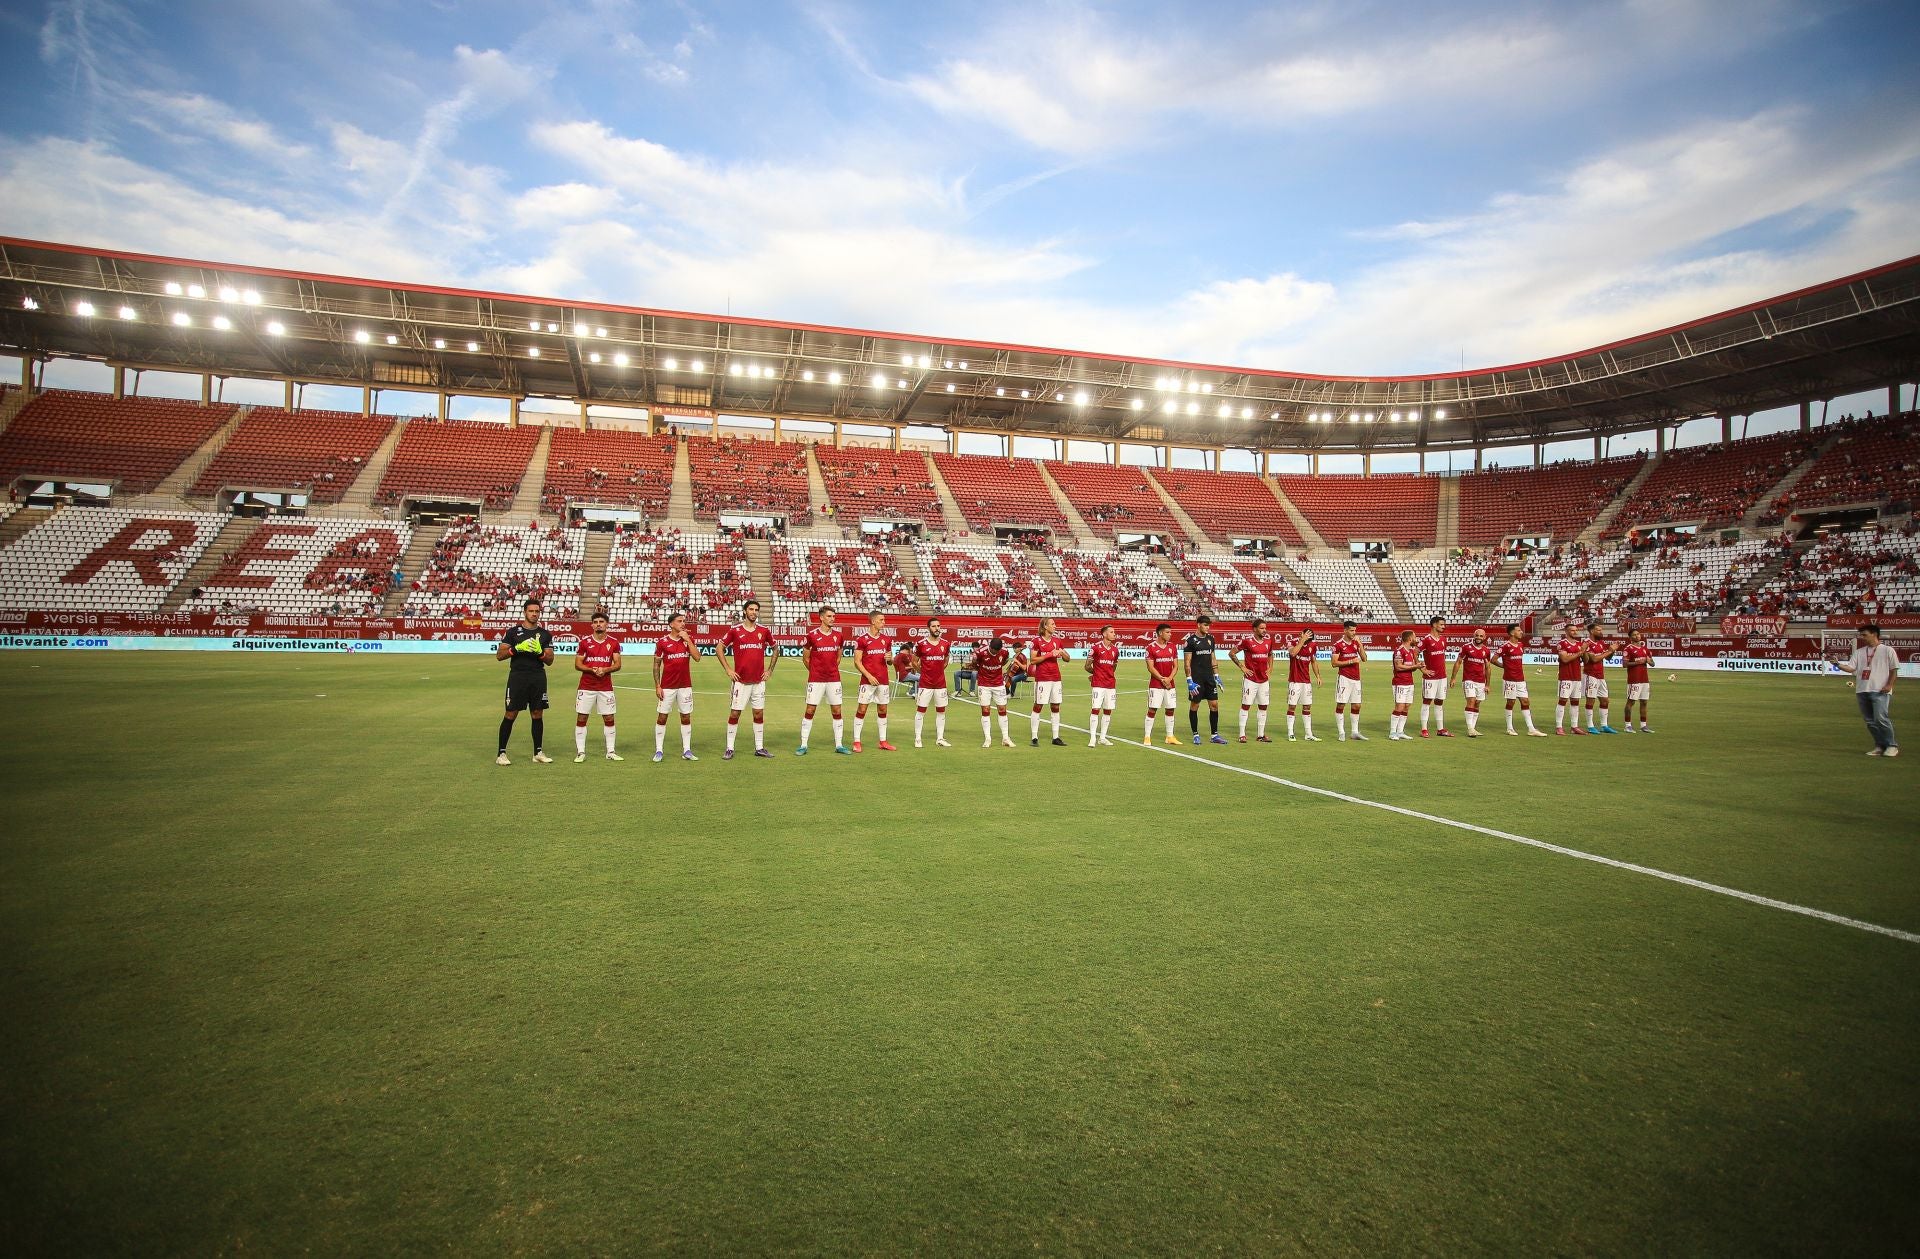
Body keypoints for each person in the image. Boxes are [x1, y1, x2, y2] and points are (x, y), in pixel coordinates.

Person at [495, 597, 555, 764]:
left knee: (537, 713)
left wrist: (540, 653)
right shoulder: (513, 632)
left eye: (537, 611)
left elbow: (550, 660)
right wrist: (516, 649)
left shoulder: (544, 634)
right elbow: (500, 655)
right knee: (511, 713)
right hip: (518, 676)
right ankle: (501, 754)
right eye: (531, 611)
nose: (534, 614)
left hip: (537, 677)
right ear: (525, 612)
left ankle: (538, 752)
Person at [720, 598, 778, 759]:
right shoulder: (735, 630)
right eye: (751, 609)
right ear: (745, 611)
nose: (754, 612)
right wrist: (728, 669)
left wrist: (769, 670)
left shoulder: (764, 631)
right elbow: (720, 648)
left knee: (758, 714)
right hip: (741, 682)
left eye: (756, 610)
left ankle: (759, 747)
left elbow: (775, 649)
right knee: (734, 714)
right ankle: (730, 748)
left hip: (758, 682)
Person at [1836, 623, 1900, 757]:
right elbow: (1851, 668)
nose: (1862, 637)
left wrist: (1889, 685)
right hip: (1862, 690)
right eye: (1862, 635)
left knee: (1881, 718)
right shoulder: (1859, 652)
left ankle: (1892, 745)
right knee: (1870, 721)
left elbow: (1894, 669)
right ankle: (1879, 746)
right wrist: (1837, 664)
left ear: (1874, 634)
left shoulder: (1888, 650)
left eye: (1865, 635)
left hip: (1880, 689)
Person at [797, 606, 852, 756]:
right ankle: (803, 744)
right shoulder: (812, 636)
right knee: (810, 710)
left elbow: (838, 657)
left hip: (834, 679)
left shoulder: (838, 636)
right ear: (821, 617)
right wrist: (816, 671)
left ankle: (839, 745)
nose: (832, 619)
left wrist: (831, 669)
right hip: (816, 679)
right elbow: (806, 658)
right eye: (829, 616)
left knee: (837, 710)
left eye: (833, 616)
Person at [573, 610, 623, 762]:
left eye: (601, 622)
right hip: (586, 686)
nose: (598, 624)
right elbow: (577, 664)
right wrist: (591, 669)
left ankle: (610, 751)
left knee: (609, 718)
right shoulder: (584, 642)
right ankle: (581, 752)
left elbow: (618, 664)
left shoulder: (613, 643)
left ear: (607, 624)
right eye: (595, 622)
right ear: (592, 625)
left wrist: (605, 669)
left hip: (605, 687)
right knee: (582, 717)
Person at [652, 611, 699, 762]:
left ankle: (687, 750)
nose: (683, 623)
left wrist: (688, 640)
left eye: (683, 621)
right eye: (679, 621)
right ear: (671, 624)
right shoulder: (662, 642)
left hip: (685, 686)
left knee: (685, 716)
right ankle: (659, 750)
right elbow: (656, 665)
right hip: (667, 686)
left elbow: (697, 657)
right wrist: (658, 686)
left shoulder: (688, 639)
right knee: (662, 717)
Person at [852, 611, 897, 753]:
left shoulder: (886, 640)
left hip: (883, 680)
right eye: (881, 620)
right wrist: (868, 676)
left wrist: (890, 659)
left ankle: (883, 741)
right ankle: (857, 741)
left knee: (883, 709)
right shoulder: (862, 640)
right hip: (867, 681)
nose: (884, 622)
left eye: (884, 619)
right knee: (862, 709)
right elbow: (857, 662)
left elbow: (890, 662)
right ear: (873, 621)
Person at [1024, 616, 1070, 746]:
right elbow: (1033, 660)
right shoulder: (1036, 641)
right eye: (1052, 624)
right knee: (1038, 706)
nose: (1055, 626)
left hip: (1056, 678)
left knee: (1056, 706)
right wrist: (1050, 654)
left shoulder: (1057, 641)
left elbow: (1067, 658)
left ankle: (1056, 737)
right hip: (1043, 678)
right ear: (1045, 626)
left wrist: (1062, 653)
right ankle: (1034, 737)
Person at [1229, 617, 1276, 743]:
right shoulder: (1247, 641)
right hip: (1250, 679)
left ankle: (1260, 735)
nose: (1264, 630)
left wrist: (1270, 668)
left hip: (1264, 680)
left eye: (1265, 628)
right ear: (1254, 629)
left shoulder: (1268, 641)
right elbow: (1232, 653)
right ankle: (1242, 734)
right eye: (1261, 628)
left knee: (1263, 706)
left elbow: (1271, 654)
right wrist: (1242, 667)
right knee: (1246, 706)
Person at [1497, 624, 1547, 736]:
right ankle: (1509, 728)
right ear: (1511, 633)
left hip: (1520, 679)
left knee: (1525, 701)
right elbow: (1493, 659)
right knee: (1511, 702)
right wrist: (1504, 666)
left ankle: (1531, 729)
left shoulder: (1520, 645)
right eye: (1519, 630)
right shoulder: (1505, 646)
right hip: (1509, 680)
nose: (1521, 632)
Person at [912, 618, 953, 748]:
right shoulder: (921, 644)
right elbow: (914, 661)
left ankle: (940, 738)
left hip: (940, 683)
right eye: (934, 626)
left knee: (941, 711)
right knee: (921, 710)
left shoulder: (945, 644)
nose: (937, 628)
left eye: (938, 626)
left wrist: (940, 670)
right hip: (925, 683)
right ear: (929, 628)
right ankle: (918, 738)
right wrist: (923, 672)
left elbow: (946, 660)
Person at [1449, 627, 1493, 738]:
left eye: (1481, 636)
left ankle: (1472, 728)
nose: (1478, 637)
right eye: (1477, 635)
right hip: (1468, 679)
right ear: (1474, 636)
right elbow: (1458, 662)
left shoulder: (1486, 651)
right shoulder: (1466, 647)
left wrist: (1487, 684)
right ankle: (1470, 728)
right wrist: (1453, 678)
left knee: (1477, 703)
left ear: (1485, 637)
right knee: (1471, 701)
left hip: (1481, 681)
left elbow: (1488, 667)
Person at [1143, 623, 1182, 746]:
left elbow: (1176, 666)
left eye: (1170, 632)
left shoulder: (1172, 647)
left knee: (1170, 708)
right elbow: (1150, 667)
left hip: (1170, 684)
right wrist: (1162, 679)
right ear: (1160, 633)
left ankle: (1169, 736)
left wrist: (1169, 679)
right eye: (1168, 632)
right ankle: (1147, 736)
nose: (1170, 634)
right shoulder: (1150, 647)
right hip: (1156, 684)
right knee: (1152, 709)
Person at [974, 635, 1016, 747]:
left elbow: (1005, 660)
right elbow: (975, 664)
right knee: (985, 710)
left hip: (998, 684)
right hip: (984, 684)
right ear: (990, 647)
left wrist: (997, 666)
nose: (995, 653)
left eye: (997, 651)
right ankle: (988, 738)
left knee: (1002, 709)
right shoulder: (980, 652)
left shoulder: (1004, 652)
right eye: (993, 650)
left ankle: (1005, 738)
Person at [1329, 620, 1366, 741]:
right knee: (1341, 704)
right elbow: (1334, 663)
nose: (1354, 633)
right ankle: (1341, 732)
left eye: (1355, 630)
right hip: (1344, 678)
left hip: (1356, 678)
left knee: (1357, 705)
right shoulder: (1338, 645)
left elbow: (1364, 659)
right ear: (1345, 630)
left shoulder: (1356, 643)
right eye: (1351, 630)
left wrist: (1360, 645)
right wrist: (1350, 661)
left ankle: (1354, 732)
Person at [1085, 623, 1120, 746]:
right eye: (1111, 632)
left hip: (1110, 683)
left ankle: (1103, 737)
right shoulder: (1095, 648)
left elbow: (1114, 666)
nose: (1114, 634)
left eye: (1114, 632)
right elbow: (1087, 666)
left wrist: (1107, 673)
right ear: (1104, 634)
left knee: (1108, 710)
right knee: (1095, 709)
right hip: (1098, 683)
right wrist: (1096, 674)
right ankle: (1093, 738)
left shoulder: (1115, 650)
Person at [1418, 616, 1452, 738]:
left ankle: (1440, 729)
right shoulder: (1426, 640)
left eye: (1444, 624)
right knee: (1427, 701)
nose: (1444, 626)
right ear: (1434, 625)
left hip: (1442, 677)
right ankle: (1424, 729)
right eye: (1441, 624)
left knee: (1439, 702)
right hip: (1430, 677)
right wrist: (1422, 668)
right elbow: (1414, 652)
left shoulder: (1443, 639)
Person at [1285, 628, 1321, 741]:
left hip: (1306, 681)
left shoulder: (1313, 645)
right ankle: (1291, 733)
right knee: (1292, 706)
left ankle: (1308, 734)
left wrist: (1318, 676)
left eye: (1308, 636)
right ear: (1301, 634)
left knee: (1307, 706)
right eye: (1304, 634)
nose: (1305, 637)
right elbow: (1293, 653)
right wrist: (1302, 640)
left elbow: (1313, 661)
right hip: (1295, 680)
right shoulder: (1292, 642)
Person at [1582, 625, 1618, 734]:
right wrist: (1609, 651)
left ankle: (1604, 725)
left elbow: (1607, 658)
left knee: (1605, 700)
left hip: (1601, 675)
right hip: (1590, 675)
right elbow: (1594, 659)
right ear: (1592, 631)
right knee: (1591, 700)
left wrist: (1612, 652)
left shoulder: (1601, 642)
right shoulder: (1586, 643)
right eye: (1598, 630)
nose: (1601, 632)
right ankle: (1590, 726)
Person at [1555, 623, 1589, 735]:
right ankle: (1559, 727)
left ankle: (1574, 726)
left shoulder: (1580, 644)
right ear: (1566, 632)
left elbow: (1586, 661)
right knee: (1563, 701)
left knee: (1575, 702)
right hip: (1566, 676)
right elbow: (1564, 659)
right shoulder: (1562, 644)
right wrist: (1580, 652)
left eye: (1576, 630)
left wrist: (1584, 651)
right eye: (1572, 630)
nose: (1575, 632)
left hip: (1577, 677)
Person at [1620, 629, 1656, 733]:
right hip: (1634, 680)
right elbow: (1624, 664)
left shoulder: (1645, 649)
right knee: (1631, 702)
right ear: (1630, 637)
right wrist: (1639, 662)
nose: (1637, 636)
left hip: (1644, 679)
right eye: (1634, 635)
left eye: (1638, 634)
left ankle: (1643, 726)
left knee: (1644, 702)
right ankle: (1627, 725)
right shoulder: (1628, 649)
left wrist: (1649, 661)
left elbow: (1653, 663)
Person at [1389, 629, 1419, 741]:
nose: (1416, 639)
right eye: (1415, 637)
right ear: (1410, 638)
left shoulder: (1411, 651)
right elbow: (1398, 666)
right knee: (1399, 707)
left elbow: (1412, 669)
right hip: (1400, 682)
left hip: (1409, 682)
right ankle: (1392, 732)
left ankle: (1400, 731)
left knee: (1406, 707)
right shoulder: (1399, 651)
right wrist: (1414, 667)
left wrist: (1417, 666)